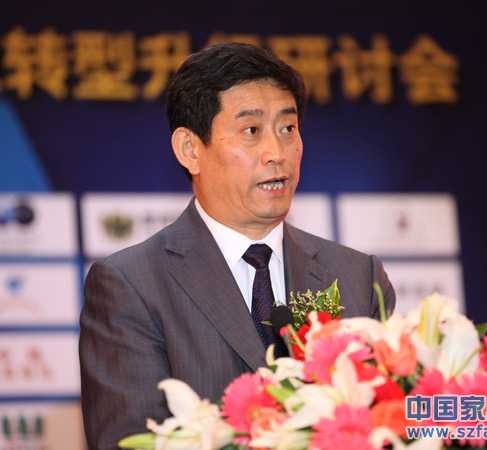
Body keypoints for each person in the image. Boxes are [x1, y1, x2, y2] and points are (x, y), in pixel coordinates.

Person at [79, 43, 395, 450]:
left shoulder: (356, 276)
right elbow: (129, 440)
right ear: (190, 149)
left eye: (288, 129)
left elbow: (392, 418)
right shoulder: (132, 286)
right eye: (251, 131)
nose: (276, 154)